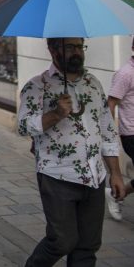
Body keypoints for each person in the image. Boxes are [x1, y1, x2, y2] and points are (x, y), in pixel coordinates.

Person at [17, 37, 126, 267]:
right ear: (52, 50)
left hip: (95, 177)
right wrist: (55, 114)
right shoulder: (37, 86)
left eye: (80, 47)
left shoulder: (93, 83)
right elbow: (23, 126)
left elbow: (106, 129)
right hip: (58, 177)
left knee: (87, 247)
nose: (77, 52)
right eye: (70, 47)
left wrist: (115, 172)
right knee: (61, 241)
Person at [107, 36, 134, 220]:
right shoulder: (125, 74)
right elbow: (110, 104)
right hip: (131, 133)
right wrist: (109, 136)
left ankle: (118, 193)